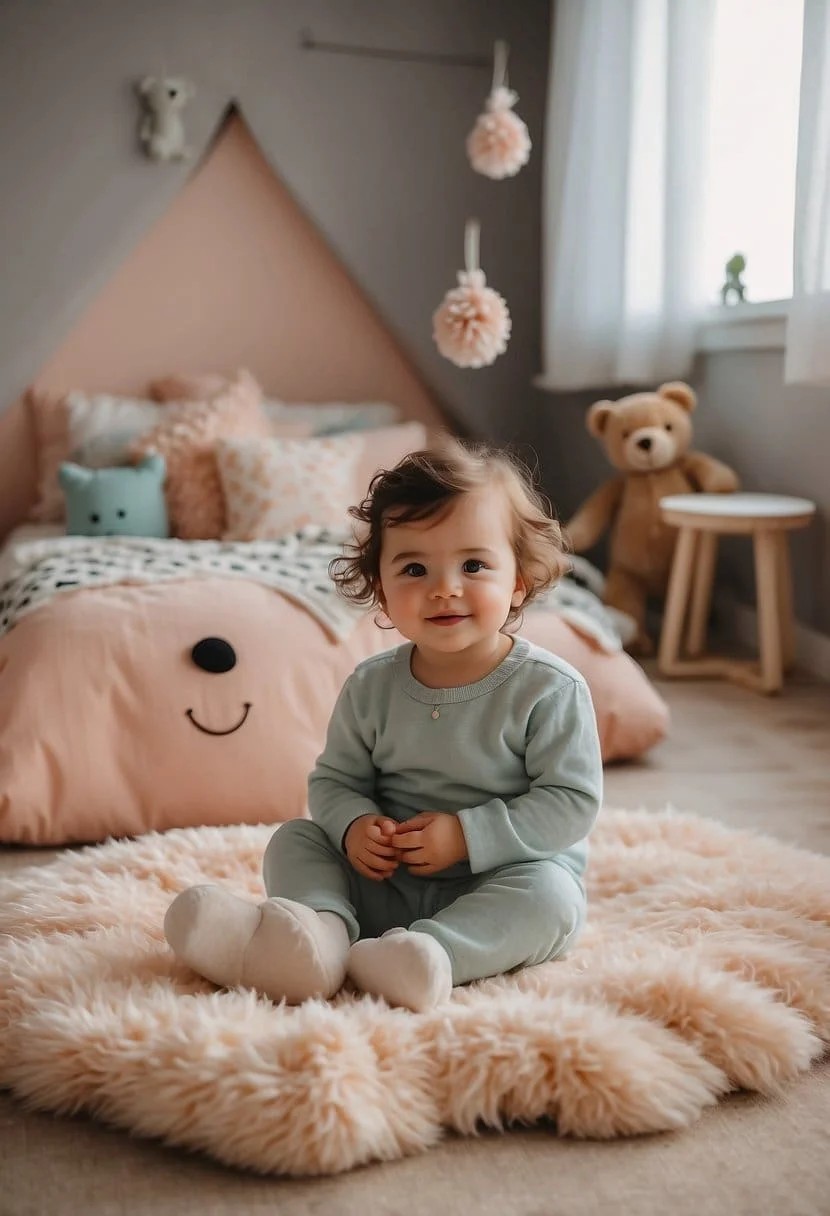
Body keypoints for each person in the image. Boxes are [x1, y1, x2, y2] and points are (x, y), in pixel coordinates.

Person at [164, 438, 603, 1012]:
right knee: (295, 840)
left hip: (496, 883)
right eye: (415, 568)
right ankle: (318, 939)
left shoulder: (549, 688)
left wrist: (465, 838)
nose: (445, 587)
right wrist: (353, 827)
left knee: (553, 899)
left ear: (518, 579)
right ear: (382, 592)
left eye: (473, 565)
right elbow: (333, 782)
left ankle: (430, 954)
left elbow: (570, 802)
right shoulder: (371, 686)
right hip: (383, 879)